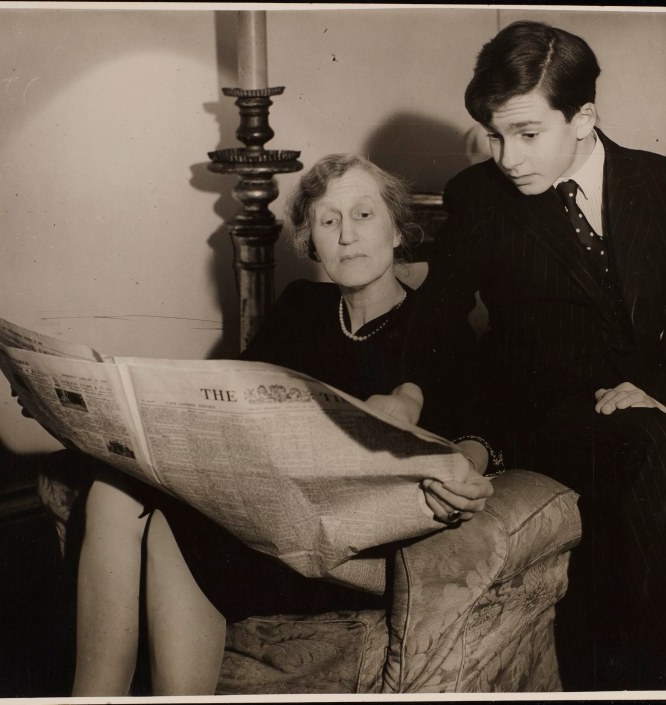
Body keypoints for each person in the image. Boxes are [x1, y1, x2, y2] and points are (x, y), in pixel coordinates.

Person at [410, 20, 666, 690]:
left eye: (527, 133)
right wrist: (429, 410)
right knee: (662, 457)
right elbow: (434, 325)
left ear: (584, 117)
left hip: (639, 414)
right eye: (496, 134)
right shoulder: (481, 196)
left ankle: (645, 671)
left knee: (653, 451)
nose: (507, 155)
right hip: (540, 415)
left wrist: (660, 392)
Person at [64, 154, 495, 695]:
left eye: (364, 215)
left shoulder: (436, 325)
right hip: (267, 505)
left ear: (397, 230)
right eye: (328, 221)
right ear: (310, 241)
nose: (347, 236)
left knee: (172, 529)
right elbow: (231, 395)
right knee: (109, 489)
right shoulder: (302, 306)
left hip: (340, 542)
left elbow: (482, 433)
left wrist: (468, 466)